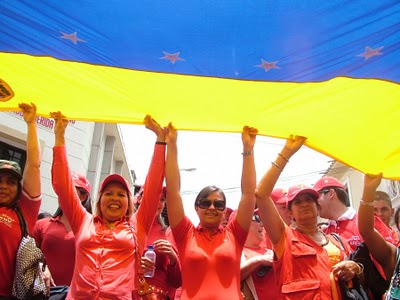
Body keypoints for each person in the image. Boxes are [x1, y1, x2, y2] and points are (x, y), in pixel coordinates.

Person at [50, 111, 165, 299]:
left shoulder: (138, 225)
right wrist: (59, 137)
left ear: (129, 202)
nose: (114, 198)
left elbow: (153, 187)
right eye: (109, 193)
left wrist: (160, 141)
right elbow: (63, 186)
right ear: (99, 199)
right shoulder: (83, 221)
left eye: (121, 194)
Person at [255, 136, 363, 299]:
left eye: (308, 200)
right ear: (290, 213)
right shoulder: (284, 238)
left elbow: (359, 279)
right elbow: (261, 194)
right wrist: (286, 153)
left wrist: (356, 268)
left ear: (318, 207)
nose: (304, 204)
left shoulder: (338, 241)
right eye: (297, 202)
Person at [165, 124, 257, 299]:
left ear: (224, 211)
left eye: (219, 204)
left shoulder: (235, 235)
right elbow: (173, 191)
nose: (212, 208)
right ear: (196, 208)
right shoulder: (185, 234)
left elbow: (249, 195)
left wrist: (248, 150)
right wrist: (172, 145)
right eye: (205, 203)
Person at [0, 103, 42, 298]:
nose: (3, 186)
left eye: (10, 182)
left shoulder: (24, 211)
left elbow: (33, 165)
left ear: (19, 189)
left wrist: (31, 123)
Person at [32, 172, 92, 286]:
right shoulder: (41, 225)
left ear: (83, 197)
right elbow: (29, 255)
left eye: (70, 190)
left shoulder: (93, 228)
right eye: (61, 189)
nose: (64, 194)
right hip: (42, 293)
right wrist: (40, 266)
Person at [313, 176, 395, 250]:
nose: (314, 203)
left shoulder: (370, 222)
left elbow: (390, 256)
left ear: (331, 194)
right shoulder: (322, 233)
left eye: (316, 197)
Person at [358, 173, 400, 299]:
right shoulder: (394, 258)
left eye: (384, 209)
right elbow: (367, 231)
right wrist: (369, 190)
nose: (379, 214)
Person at [136, 186, 182, 299]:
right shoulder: (126, 228)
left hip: (157, 295)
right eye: (153, 197)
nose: (158, 202)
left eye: (162, 199)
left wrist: (173, 258)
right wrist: (135, 265)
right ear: (139, 199)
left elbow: (176, 282)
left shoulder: (169, 233)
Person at [240, 209, 274, 300]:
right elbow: (230, 278)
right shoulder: (236, 253)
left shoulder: (270, 252)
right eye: (257, 219)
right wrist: (258, 261)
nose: (261, 224)